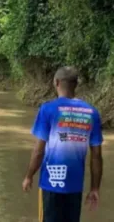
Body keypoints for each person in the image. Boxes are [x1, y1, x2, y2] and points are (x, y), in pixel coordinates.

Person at [22, 66, 103, 222]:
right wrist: (94, 188)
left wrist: (29, 176)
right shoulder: (91, 112)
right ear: (76, 85)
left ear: (56, 82)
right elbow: (96, 156)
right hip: (75, 186)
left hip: (51, 184)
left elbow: (39, 151)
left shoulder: (47, 110)